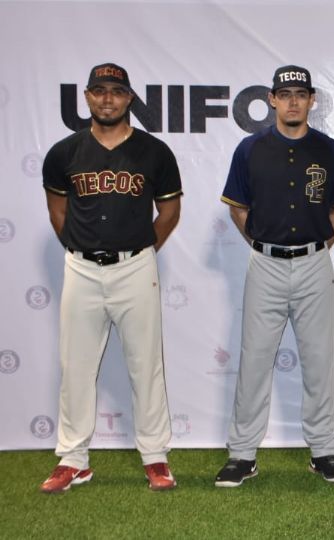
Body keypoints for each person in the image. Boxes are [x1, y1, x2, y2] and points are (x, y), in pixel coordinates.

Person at [40, 63, 182, 493]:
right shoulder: (64, 153)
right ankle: (73, 459)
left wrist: (138, 249)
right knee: (75, 366)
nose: (107, 99)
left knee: (146, 365)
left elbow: (169, 213)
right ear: (86, 96)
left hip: (135, 265)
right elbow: (57, 211)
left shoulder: (154, 152)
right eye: (99, 91)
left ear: (129, 99)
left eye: (116, 92)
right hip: (81, 267)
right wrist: (80, 247)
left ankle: (155, 457)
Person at [216, 65, 334, 486]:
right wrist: (264, 243)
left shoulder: (331, 151)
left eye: (301, 93)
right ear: (272, 100)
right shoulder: (249, 149)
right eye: (285, 93)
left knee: (318, 359)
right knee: (255, 359)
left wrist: (316, 245)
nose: (293, 101)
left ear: (312, 99)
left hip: (315, 262)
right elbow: (238, 208)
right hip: (266, 263)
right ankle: (242, 454)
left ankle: (324, 451)